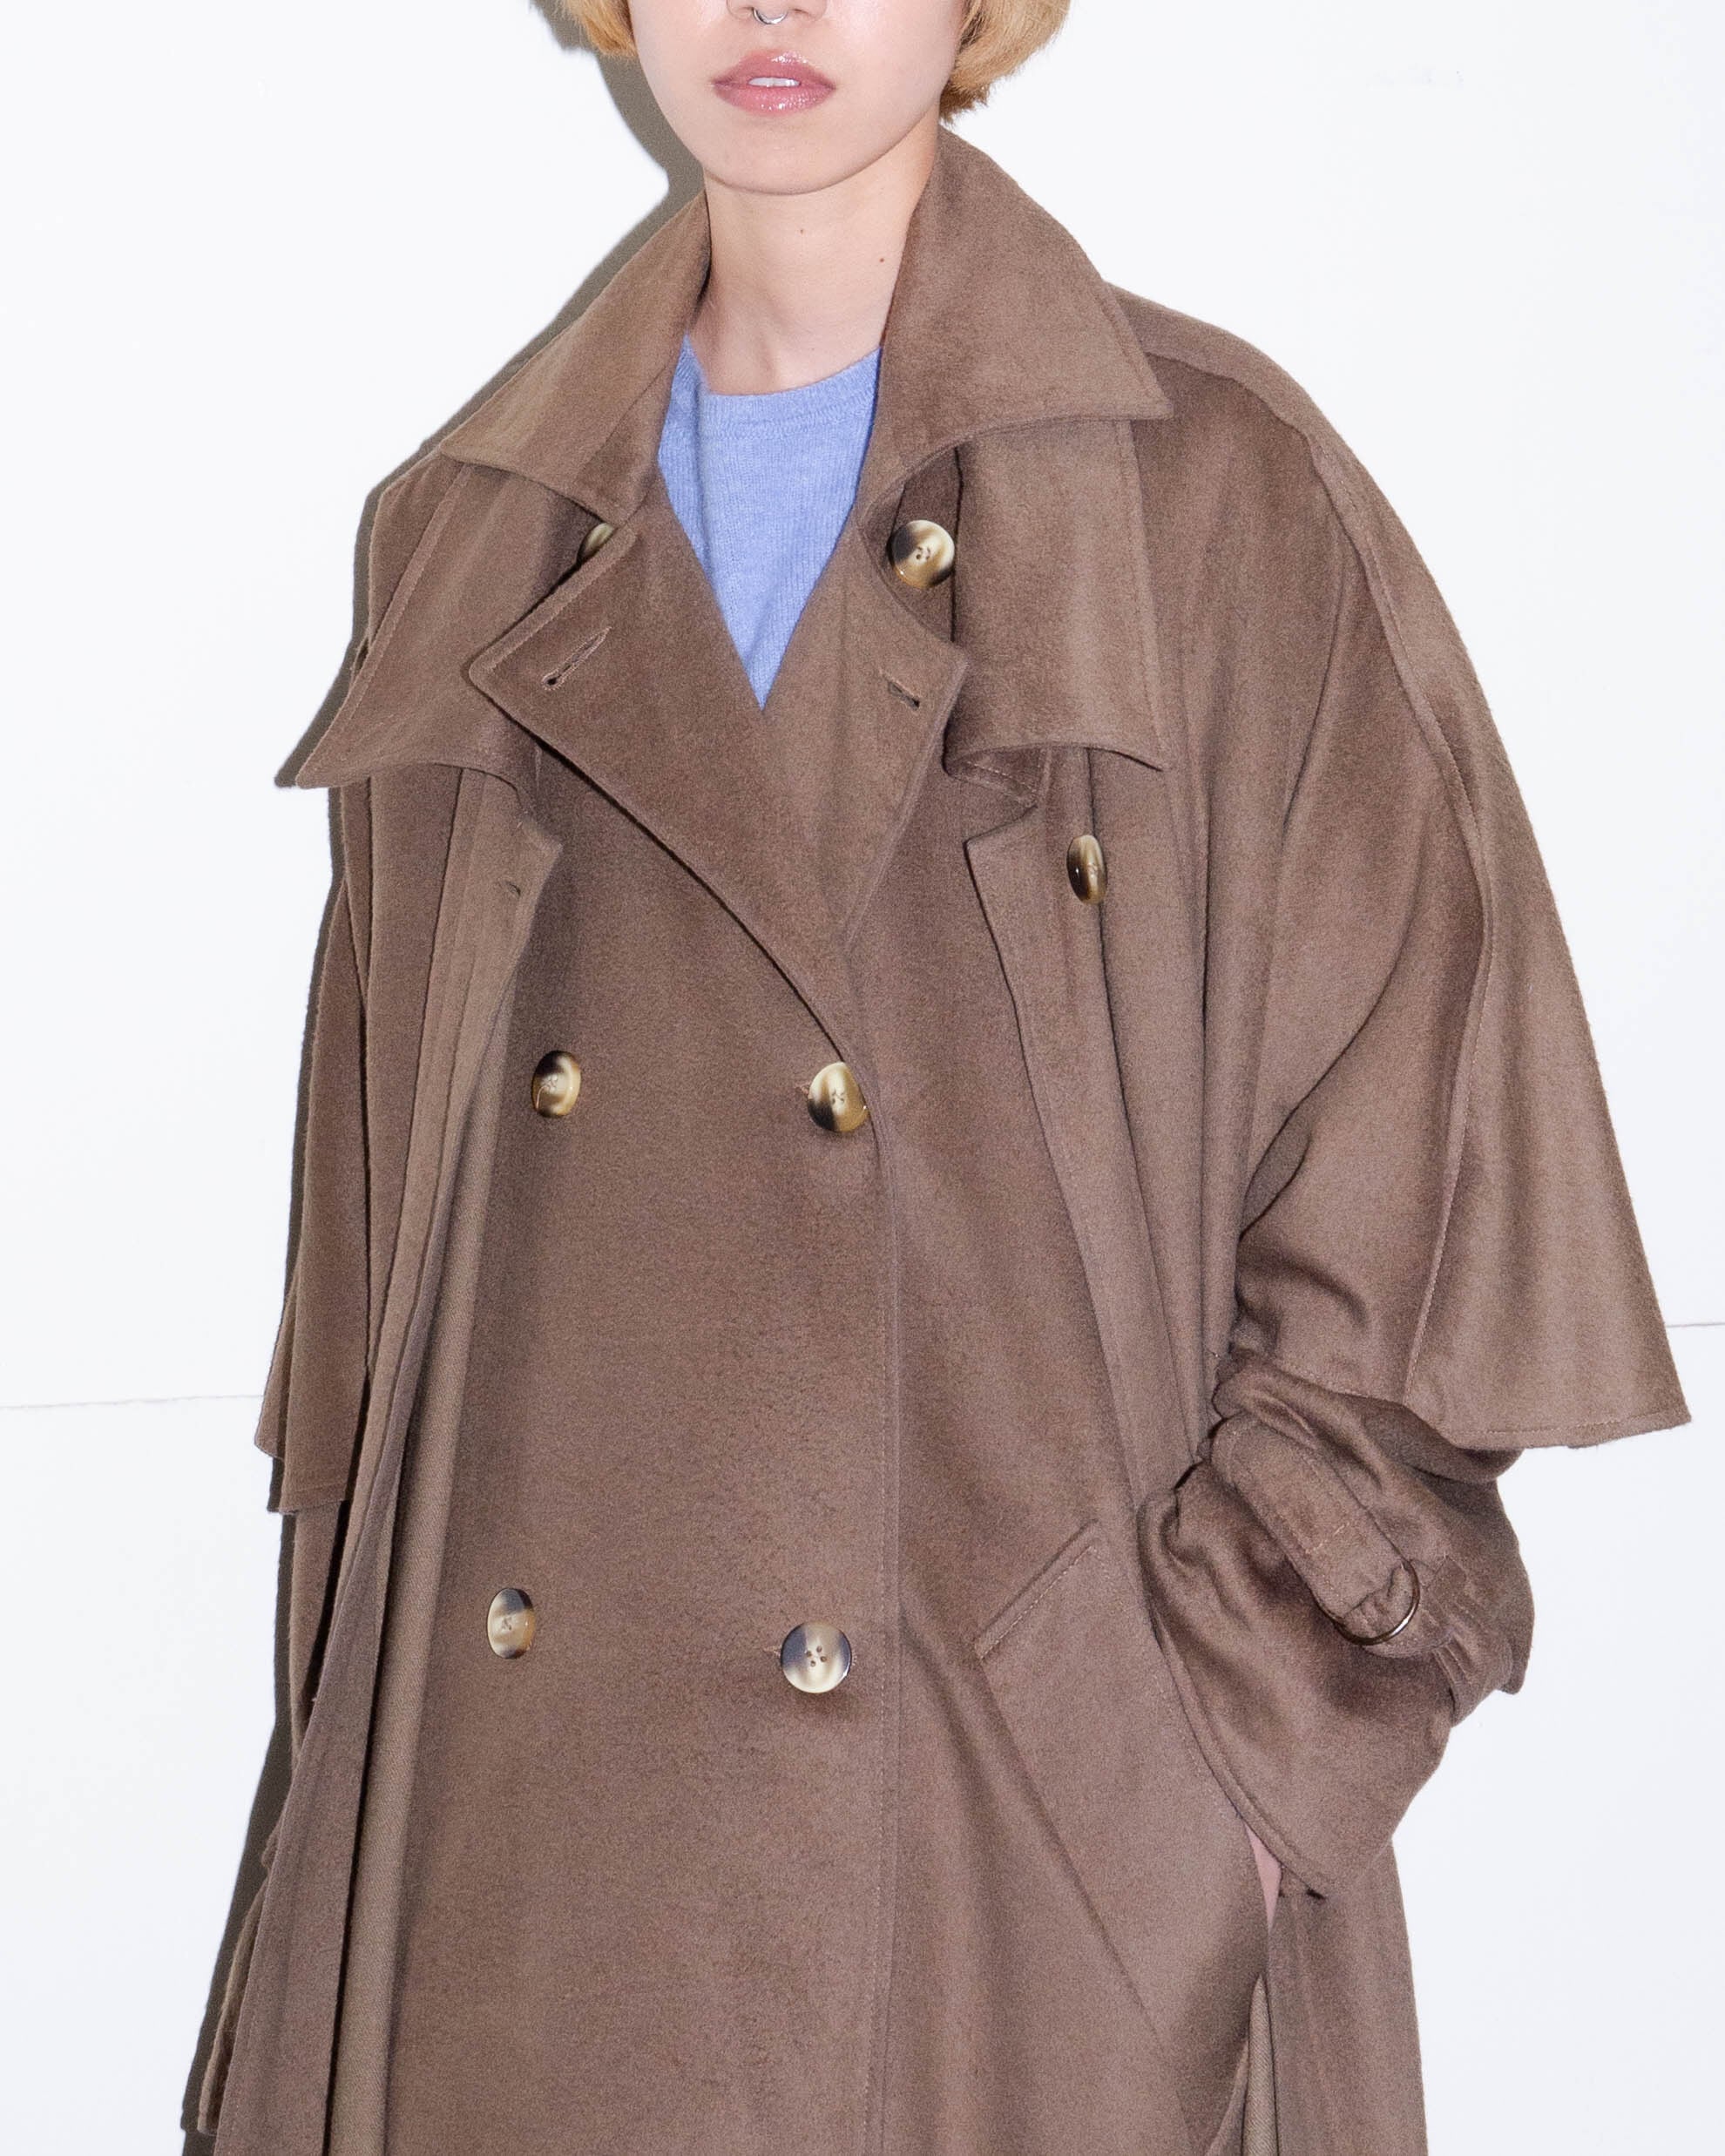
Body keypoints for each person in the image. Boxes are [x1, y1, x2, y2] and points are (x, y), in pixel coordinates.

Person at [192, 4, 1690, 2153]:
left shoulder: (1208, 499)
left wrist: (1199, 1787)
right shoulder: (463, 537)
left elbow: (1425, 1228)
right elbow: (374, 1335)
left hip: (1016, 1916)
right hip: (518, 1913)